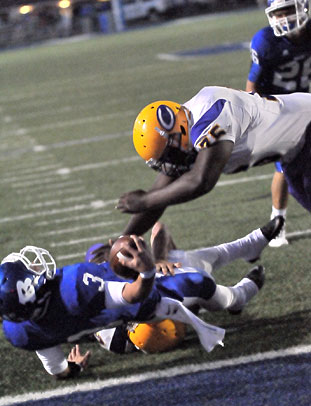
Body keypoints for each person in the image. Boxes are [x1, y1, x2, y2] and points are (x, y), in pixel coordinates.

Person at [0, 216, 283, 379]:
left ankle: (247, 253)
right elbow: (133, 294)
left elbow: (57, 369)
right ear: (30, 293)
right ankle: (239, 297)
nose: (33, 266)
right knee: (197, 282)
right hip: (141, 307)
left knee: (101, 250)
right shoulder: (75, 288)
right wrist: (147, 270)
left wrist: (73, 369)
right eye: (29, 271)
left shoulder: (19, 330)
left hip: (105, 316)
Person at [92, 86, 311, 254]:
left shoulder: (212, 110)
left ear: (177, 131)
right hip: (293, 153)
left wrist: (145, 201)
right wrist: (122, 242)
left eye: (169, 155)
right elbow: (158, 197)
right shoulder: (182, 133)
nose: (170, 163)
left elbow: (201, 181)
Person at [89, 216, 283, 355]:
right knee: (187, 266)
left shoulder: (101, 309)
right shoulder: (174, 281)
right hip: (181, 292)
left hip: (167, 304)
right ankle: (241, 292)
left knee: (179, 262)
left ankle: (247, 258)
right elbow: (158, 229)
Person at [246, 0, 311, 247]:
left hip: (304, 103)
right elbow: (253, 84)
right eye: (278, 13)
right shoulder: (266, 41)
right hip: (276, 109)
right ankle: (277, 223)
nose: (283, 18)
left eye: (287, 11)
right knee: (284, 169)